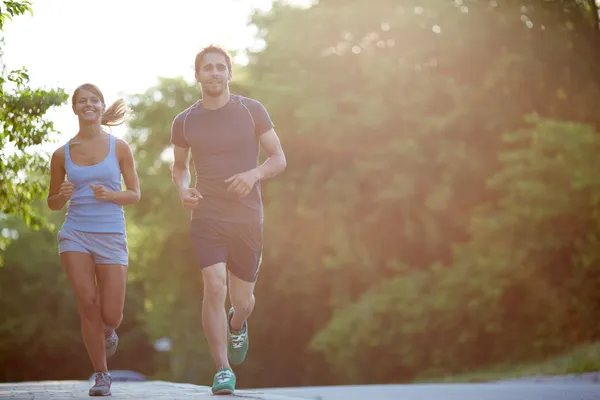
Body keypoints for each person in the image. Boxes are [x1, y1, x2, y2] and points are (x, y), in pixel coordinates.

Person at [170, 45, 286, 395]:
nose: (215, 73)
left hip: (247, 217)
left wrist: (253, 176)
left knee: (243, 301)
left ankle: (238, 325)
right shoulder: (185, 120)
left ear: (230, 73)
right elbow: (179, 167)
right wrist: (183, 190)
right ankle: (222, 369)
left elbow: (278, 158)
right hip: (207, 213)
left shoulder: (251, 111)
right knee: (214, 286)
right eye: (208, 68)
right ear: (197, 75)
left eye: (221, 67)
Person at [47, 83, 141, 397]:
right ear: (75, 108)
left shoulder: (120, 148)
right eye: (82, 101)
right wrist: (61, 196)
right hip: (75, 234)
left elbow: (135, 194)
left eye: (94, 100)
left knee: (111, 314)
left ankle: (109, 329)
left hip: (112, 234)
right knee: (88, 305)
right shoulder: (62, 154)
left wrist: (111, 194)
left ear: (101, 107)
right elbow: (52, 202)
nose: (88, 105)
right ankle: (102, 375)